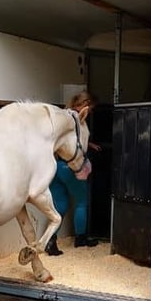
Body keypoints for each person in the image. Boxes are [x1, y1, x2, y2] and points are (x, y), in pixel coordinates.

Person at [46, 91, 100, 256]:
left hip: (56, 166)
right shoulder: (78, 119)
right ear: (86, 104)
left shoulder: (63, 117)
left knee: (59, 205)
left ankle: (51, 240)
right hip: (71, 166)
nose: (91, 111)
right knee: (81, 202)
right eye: (91, 107)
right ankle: (81, 238)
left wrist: (89, 144)